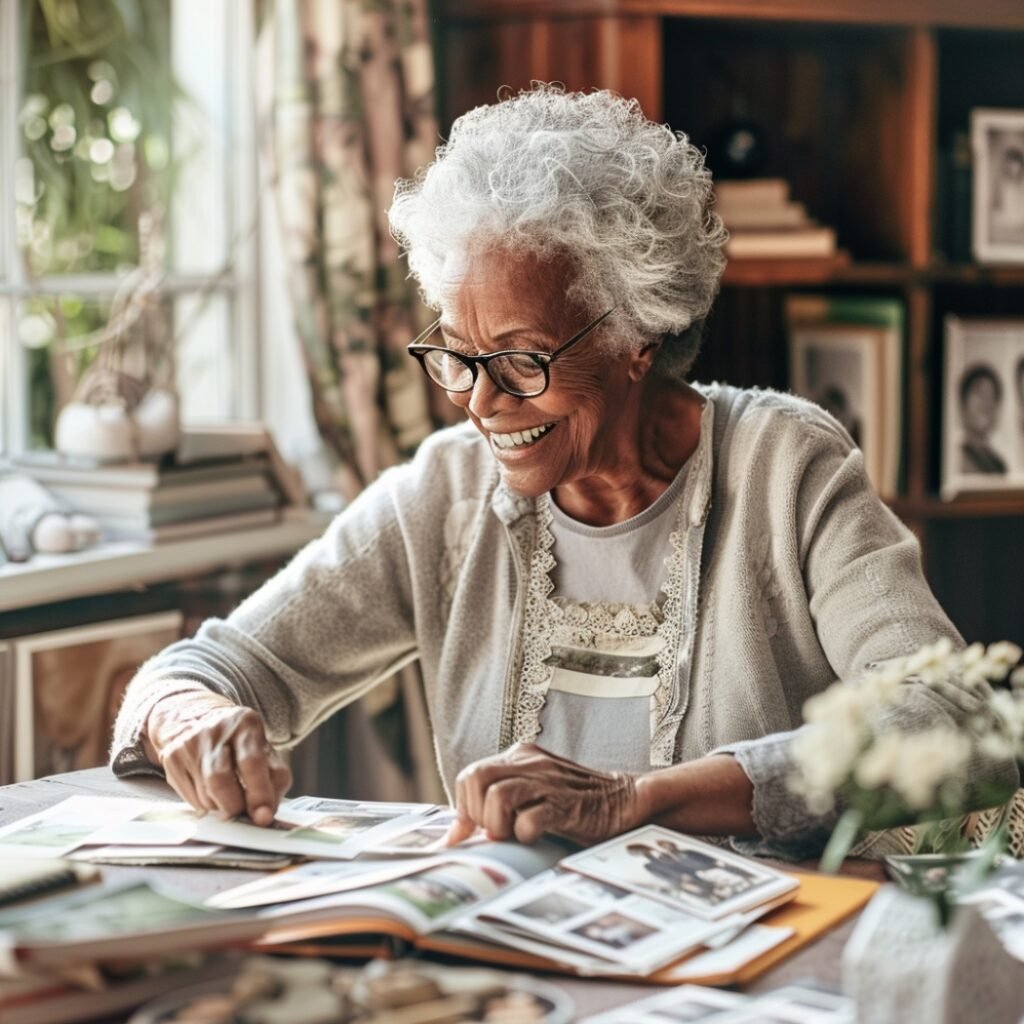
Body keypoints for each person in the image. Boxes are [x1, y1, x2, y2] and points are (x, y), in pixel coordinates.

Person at [110, 85, 1018, 860]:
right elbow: (213, 666)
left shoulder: (788, 467)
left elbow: (953, 717)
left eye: (520, 358)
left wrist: (637, 799)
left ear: (638, 336)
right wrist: (186, 717)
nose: (477, 400)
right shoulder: (446, 494)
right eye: (456, 356)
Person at [958, 364, 1008, 475]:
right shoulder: (956, 460)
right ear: (963, 401)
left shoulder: (999, 465)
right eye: (979, 393)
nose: (986, 403)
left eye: (992, 395)